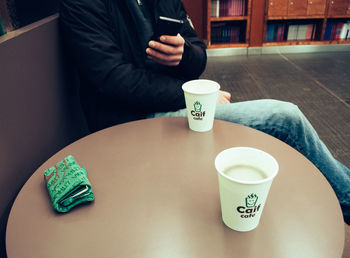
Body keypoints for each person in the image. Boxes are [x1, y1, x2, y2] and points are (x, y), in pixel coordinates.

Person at [59, 0, 349, 224]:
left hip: (176, 104)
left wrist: (184, 54)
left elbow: (198, 53)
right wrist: (194, 96)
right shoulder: (81, 4)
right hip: (128, 122)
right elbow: (113, 79)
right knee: (285, 118)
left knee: (284, 118)